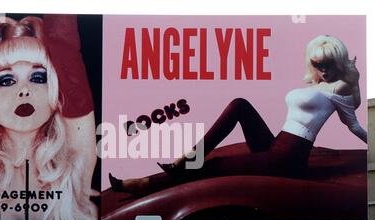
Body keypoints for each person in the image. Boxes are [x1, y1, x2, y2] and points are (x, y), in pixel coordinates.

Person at [109, 34, 367, 195]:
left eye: (329, 64)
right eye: (318, 65)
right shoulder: (319, 86)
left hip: (287, 160)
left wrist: (354, 81)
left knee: (211, 167)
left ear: (340, 62)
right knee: (240, 104)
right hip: (276, 144)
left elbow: (354, 126)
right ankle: (189, 157)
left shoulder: (340, 88)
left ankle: (145, 183)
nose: (323, 70)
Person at [0, 14, 98, 220]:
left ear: (55, 98)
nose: (24, 90)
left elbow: (65, 43)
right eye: (6, 80)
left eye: (38, 78)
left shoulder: (73, 167)